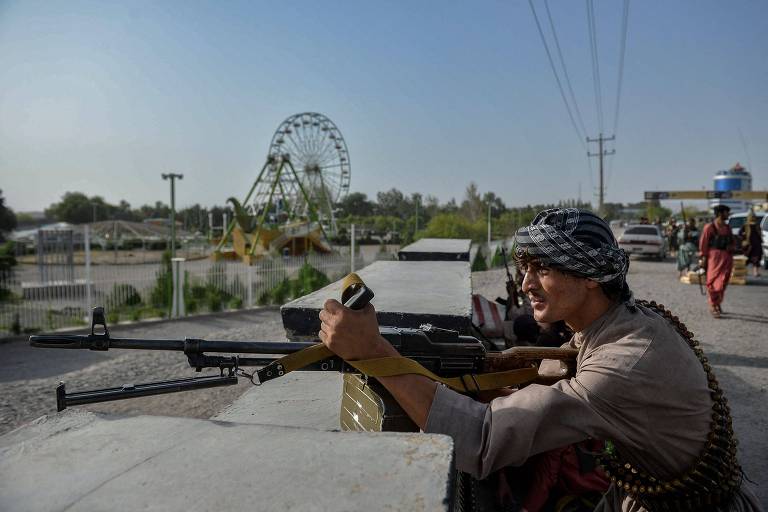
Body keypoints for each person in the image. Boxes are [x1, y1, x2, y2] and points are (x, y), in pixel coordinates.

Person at [318, 207, 761, 511]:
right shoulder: (631, 321)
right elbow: (567, 370)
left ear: (590, 276)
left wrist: (375, 352)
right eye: (525, 268)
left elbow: (483, 440)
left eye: (543, 269)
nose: (527, 283)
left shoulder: (623, 363)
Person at [699, 205, 736, 317]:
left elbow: (732, 241)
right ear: (720, 213)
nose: (728, 215)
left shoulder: (728, 227)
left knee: (723, 281)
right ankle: (713, 305)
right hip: (714, 258)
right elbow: (703, 244)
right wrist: (703, 258)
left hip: (727, 258)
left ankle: (717, 302)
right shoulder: (709, 227)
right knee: (713, 283)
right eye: (726, 212)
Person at [738, 211, 763, 277]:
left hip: (754, 245)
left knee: (755, 259)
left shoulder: (756, 225)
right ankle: (747, 272)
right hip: (749, 245)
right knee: (748, 259)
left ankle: (755, 272)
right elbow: (740, 234)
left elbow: (740, 234)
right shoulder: (746, 225)